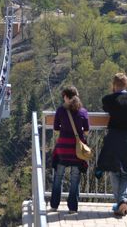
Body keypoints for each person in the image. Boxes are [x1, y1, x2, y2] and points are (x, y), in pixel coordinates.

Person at [95, 73, 127, 216]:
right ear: (126, 84)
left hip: (113, 138)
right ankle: (123, 202)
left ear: (114, 85)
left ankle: (119, 203)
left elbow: (105, 105)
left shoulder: (109, 99)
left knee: (115, 171)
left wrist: (113, 93)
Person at [50, 86, 90, 214]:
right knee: (75, 179)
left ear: (66, 97)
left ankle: (54, 205)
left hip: (63, 149)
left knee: (58, 176)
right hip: (77, 150)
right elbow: (87, 131)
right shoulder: (83, 112)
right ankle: (72, 208)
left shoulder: (61, 111)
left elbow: (56, 128)